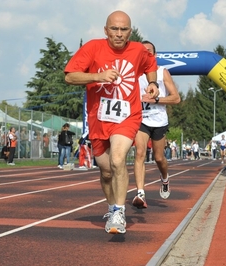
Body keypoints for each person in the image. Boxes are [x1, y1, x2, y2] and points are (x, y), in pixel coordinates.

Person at [64, 10, 159, 234]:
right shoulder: (92, 48)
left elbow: (150, 65)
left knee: (118, 160)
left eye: (123, 29)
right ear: (105, 30)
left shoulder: (137, 50)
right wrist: (97, 76)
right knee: (106, 171)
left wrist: (152, 83)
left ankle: (119, 211)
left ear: (130, 31)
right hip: (98, 119)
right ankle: (111, 206)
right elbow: (69, 76)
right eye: (114, 29)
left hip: (128, 116)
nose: (118, 34)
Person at [132, 40, 180, 209]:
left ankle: (165, 178)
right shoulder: (133, 73)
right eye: (142, 51)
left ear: (155, 55)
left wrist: (157, 99)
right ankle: (140, 193)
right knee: (140, 153)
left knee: (159, 158)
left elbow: (176, 98)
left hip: (159, 121)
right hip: (141, 119)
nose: (146, 53)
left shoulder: (161, 73)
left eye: (149, 51)